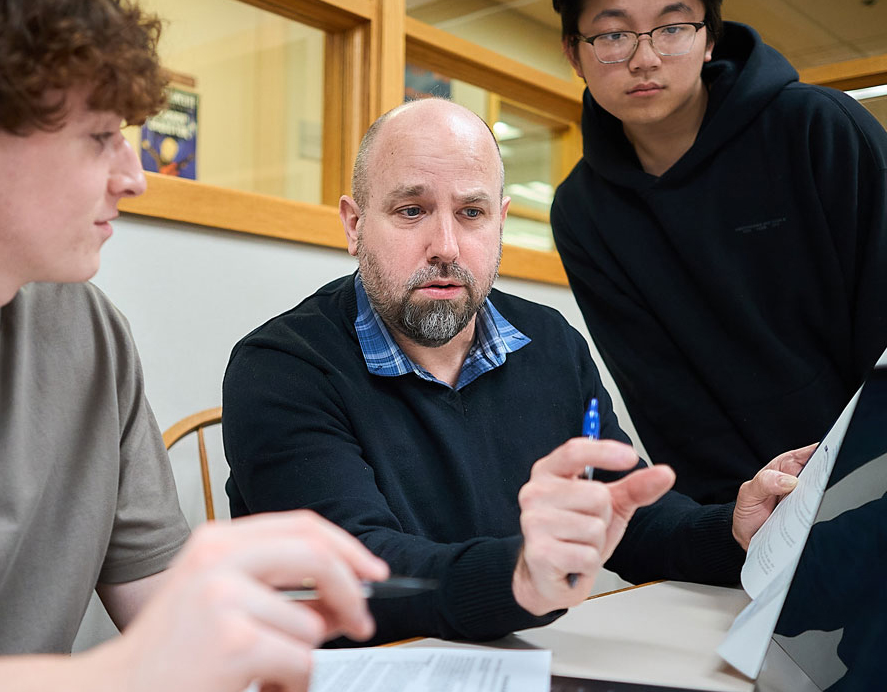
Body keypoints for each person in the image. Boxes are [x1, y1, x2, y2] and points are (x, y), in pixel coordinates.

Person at [0, 1, 387, 692]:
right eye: (100, 136)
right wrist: (105, 687)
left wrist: (254, 628)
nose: (133, 176)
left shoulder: (87, 336)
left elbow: (164, 613)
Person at [223, 97, 812, 647]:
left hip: (516, 666)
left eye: (472, 212)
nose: (447, 246)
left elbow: (621, 517)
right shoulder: (282, 368)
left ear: (499, 222)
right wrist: (522, 575)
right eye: (411, 210)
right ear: (355, 226)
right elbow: (358, 571)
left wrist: (733, 530)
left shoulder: (551, 344)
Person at [548, 0, 887, 504]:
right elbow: (664, 397)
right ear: (575, 54)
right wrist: (736, 523)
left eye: (672, 28)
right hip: (755, 510)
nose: (645, 58)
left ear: (709, 38)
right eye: (613, 35)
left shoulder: (821, 127)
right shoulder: (581, 212)